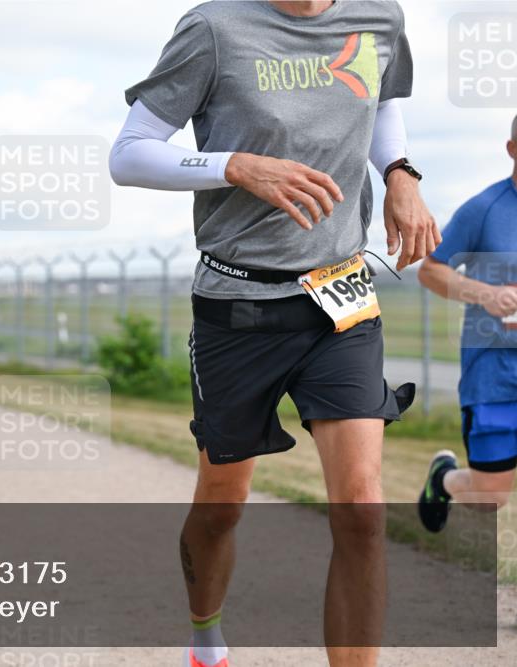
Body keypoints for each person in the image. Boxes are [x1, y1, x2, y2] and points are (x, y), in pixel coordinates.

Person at [109, 2, 438, 666]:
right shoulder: (214, 29)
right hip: (239, 307)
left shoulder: (378, 18)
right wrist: (234, 166)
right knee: (223, 506)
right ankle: (205, 635)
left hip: (339, 299)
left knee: (363, 507)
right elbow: (129, 154)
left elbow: (379, 99)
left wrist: (399, 171)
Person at [417, 114, 517, 532]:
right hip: (494, 375)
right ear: (513, 150)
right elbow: (431, 270)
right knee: (490, 498)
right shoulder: (483, 209)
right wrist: (488, 294)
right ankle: (444, 479)